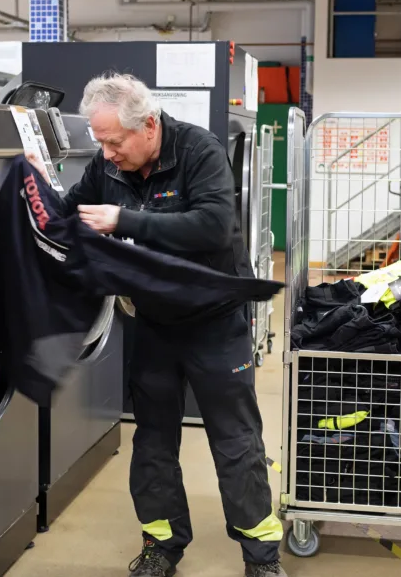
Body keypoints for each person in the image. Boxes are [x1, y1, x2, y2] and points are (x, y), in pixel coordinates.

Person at [26, 73, 288, 577]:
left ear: (148, 126)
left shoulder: (198, 150)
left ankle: (261, 556)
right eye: (99, 142)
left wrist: (122, 221)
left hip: (215, 323)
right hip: (153, 324)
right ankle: (162, 545)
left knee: (235, 441)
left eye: (114, 141)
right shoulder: (109, 169)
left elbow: (213, 225)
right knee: (152, 443)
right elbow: (66, 215)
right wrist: (37, 182)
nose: (106, 154)